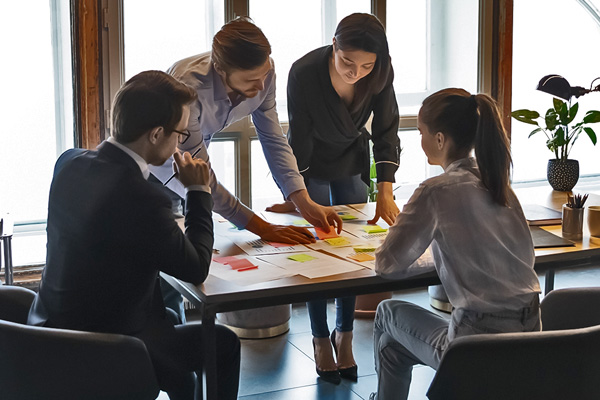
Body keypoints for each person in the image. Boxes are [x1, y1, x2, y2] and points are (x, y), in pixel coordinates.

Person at [28, 71, 240, 400]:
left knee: (169, 323)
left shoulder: (69, 162)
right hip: (107, 349)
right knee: (224, 343)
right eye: (180, 134)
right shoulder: (143, 198)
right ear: (156, 134)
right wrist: (199, 190)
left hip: (47, 333)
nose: (180, 143)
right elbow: (197, 267)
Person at [370, 88, 541, 400]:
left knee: (386, 312)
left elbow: (386, 265)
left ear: (439, 139)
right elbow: (524, 256)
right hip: (529, 338)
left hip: (473, 346)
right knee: (391, 347)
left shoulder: (435, 191)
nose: (418, 140)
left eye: (420, 132)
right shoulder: (499, 184)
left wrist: (430, 252)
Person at [283, 13, 401, 384]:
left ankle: (344, 334)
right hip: (310, 159)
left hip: (351, 155)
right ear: (334, 45)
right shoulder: (304, 72)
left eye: (366, 66)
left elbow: (386, 128)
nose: (356, 73)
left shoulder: (380, 72)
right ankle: (320, 339)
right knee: (318, 249)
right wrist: (297, 195)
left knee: (352, 249)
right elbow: (299, 134)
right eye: (348, 62)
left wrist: (385, 190)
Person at [151, 17, 342, 242]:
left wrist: (303, 201)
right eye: (252, 80)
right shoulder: (188, 89)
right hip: (158, 172)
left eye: (264, 74)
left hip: (193, 172)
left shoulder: (265, 73)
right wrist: (262, 228)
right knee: (169, 256)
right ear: (220, 70)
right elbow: (200, 175)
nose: (262, 86)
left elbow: (273, 138)